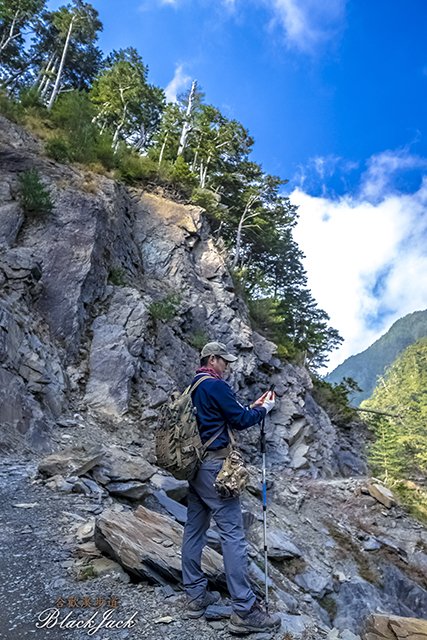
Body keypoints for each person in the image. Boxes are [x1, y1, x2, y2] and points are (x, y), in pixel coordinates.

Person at [182, 341, 281, 635]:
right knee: (233, 535)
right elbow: (239, 421)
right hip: (215, 469)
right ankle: (244, 609)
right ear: (212, 358)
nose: (227, 365)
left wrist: (253, 406)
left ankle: (195, 596)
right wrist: (264, 409)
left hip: (196, 469)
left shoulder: (194, 386)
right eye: (224, 360)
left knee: (194, 530)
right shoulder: (215, 385)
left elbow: (224, 416)